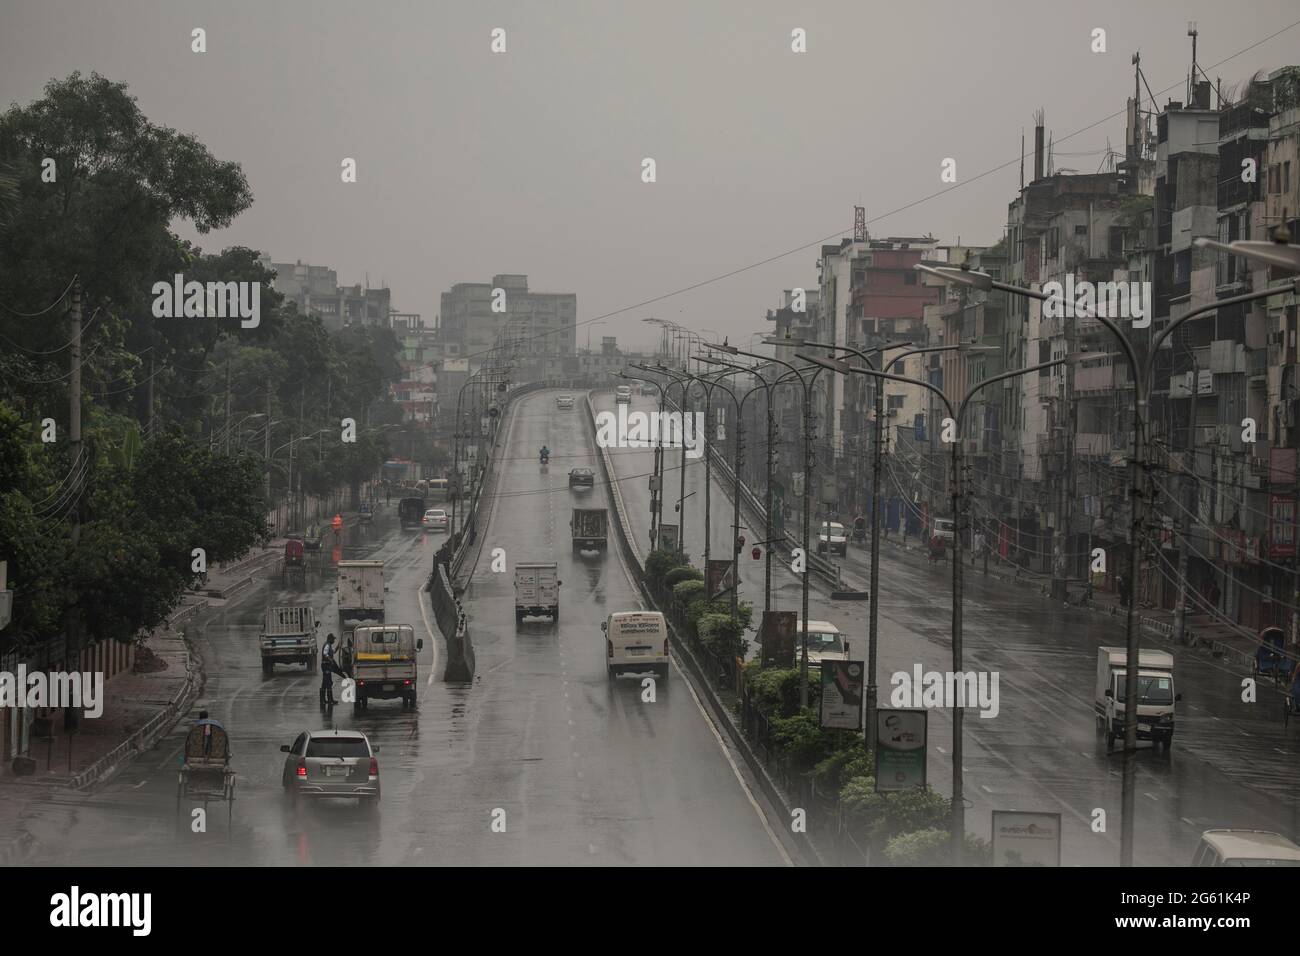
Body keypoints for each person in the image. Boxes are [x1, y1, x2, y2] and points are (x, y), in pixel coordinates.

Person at [320, 633, 341, 707]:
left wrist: (338, 646)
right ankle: (330, 700)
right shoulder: (327, 645)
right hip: (326, 666)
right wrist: (330, 660)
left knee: (325, 683)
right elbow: (325, 654)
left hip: (327, 666)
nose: (334, 641)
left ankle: (323, 700)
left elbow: (333, 652)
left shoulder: (329, 645)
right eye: (333, 639)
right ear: (330, 639)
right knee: (328, 682)